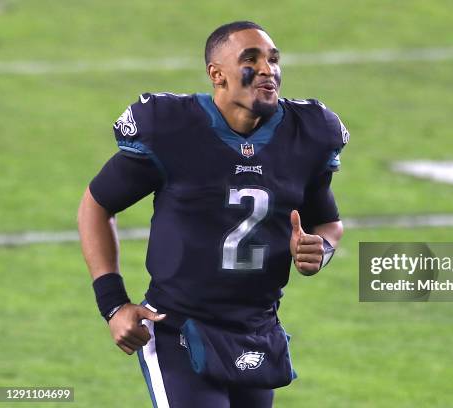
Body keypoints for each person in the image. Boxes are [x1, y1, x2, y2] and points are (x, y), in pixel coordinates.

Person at [77, 21, 348, 408]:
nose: (268, 69)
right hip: (179, 328)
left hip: (258, 329)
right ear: (216, 74)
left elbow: (327, 221)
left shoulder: (308, 133)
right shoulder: (173, 128)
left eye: (273, 59)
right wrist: (113, 304)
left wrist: (320, 248)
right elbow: (96, 204)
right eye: (250, 60)